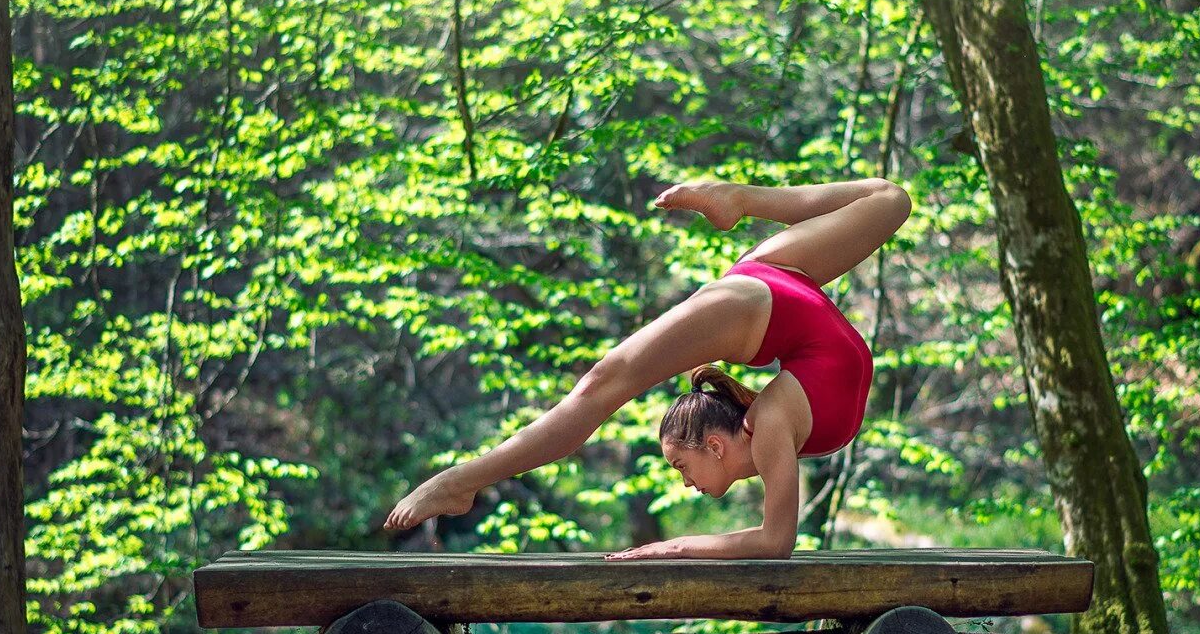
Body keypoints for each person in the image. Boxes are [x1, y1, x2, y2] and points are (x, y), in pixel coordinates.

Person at [381, 176, 912, 559]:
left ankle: (462, 481)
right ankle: (738, 198)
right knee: (890, 200)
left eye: (680, 466)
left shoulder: (772, 423)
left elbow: (775, 543)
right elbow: (776, 541)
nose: (683, 483)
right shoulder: (774, 424)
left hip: (768, 295)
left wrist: (672, 547)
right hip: (775, 294)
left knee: (601, 385)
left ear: (715, 445)